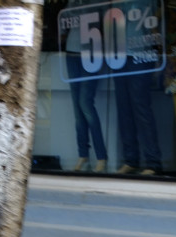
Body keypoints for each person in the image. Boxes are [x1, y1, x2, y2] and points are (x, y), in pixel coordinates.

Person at [64, 0, 107, 173]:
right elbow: (66, 17)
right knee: (78, 108)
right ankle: (83, 155)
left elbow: (104, 20)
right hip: (72, 52)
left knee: (85, 103)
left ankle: (101, 156)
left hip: (92, 52)